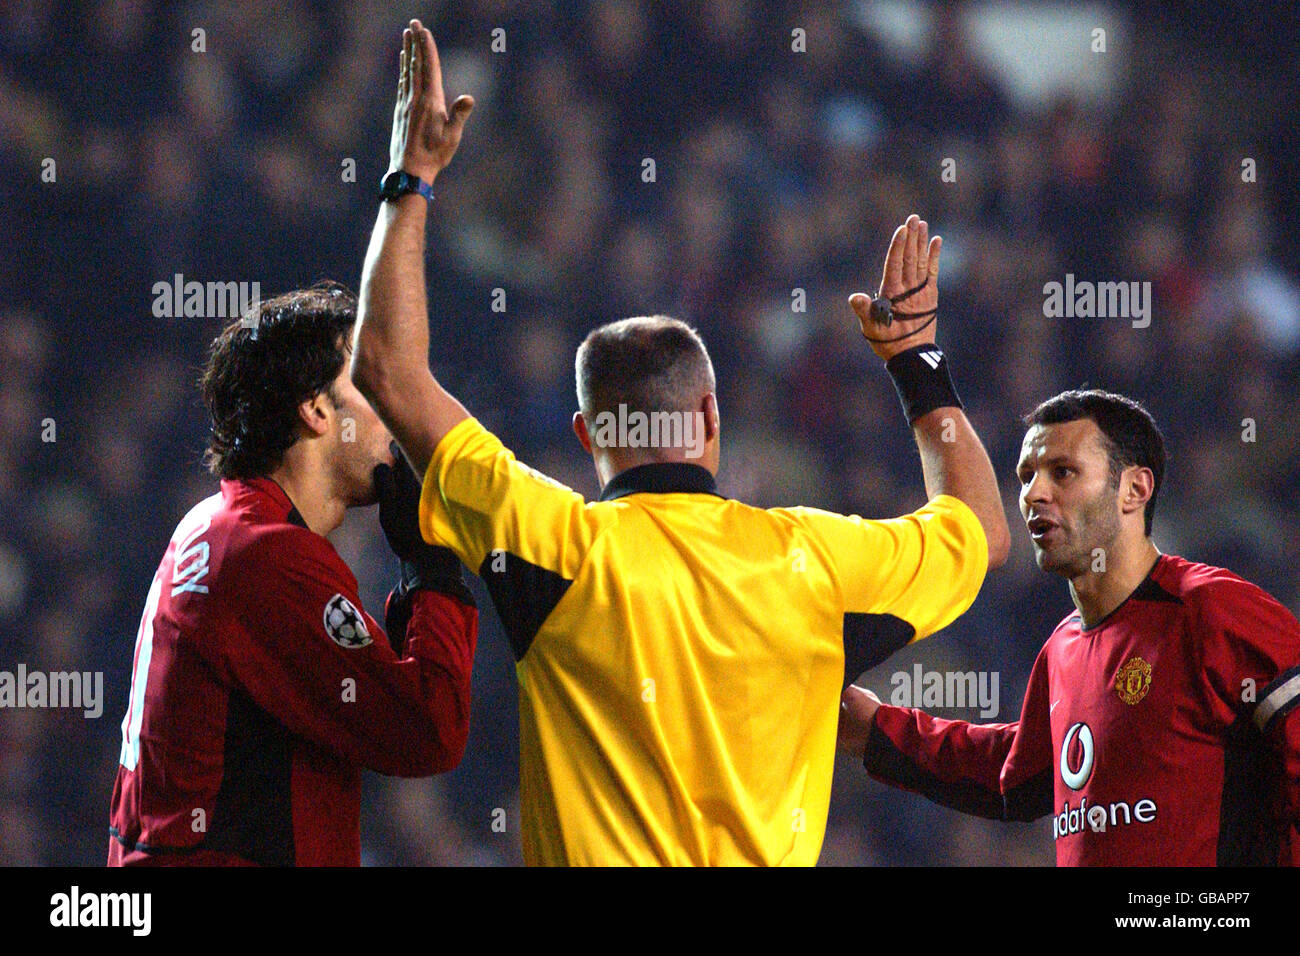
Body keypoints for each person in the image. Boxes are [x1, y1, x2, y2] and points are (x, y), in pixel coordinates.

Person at [350, 19, 1009, 865]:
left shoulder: (556, 545)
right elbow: (983, 529)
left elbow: (386, 369)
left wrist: (412, 178)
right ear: (710, 421)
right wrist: (917, 362)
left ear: (591, 434)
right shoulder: (813, 563)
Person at [838, 389, 1300, 865]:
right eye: (1025, 476)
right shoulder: (1063, 647)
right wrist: (877, 731)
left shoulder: (1214, 610)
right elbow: (1015, 777)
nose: (1034, 494)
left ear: (1134, 490)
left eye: (1063, 472)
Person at [108, 284, 478, 866]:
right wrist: (433, 569)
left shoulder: (213, 526)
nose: (395, 409)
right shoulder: (271, 557)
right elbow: (429, 730)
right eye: (371, 385)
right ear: (316, 409)